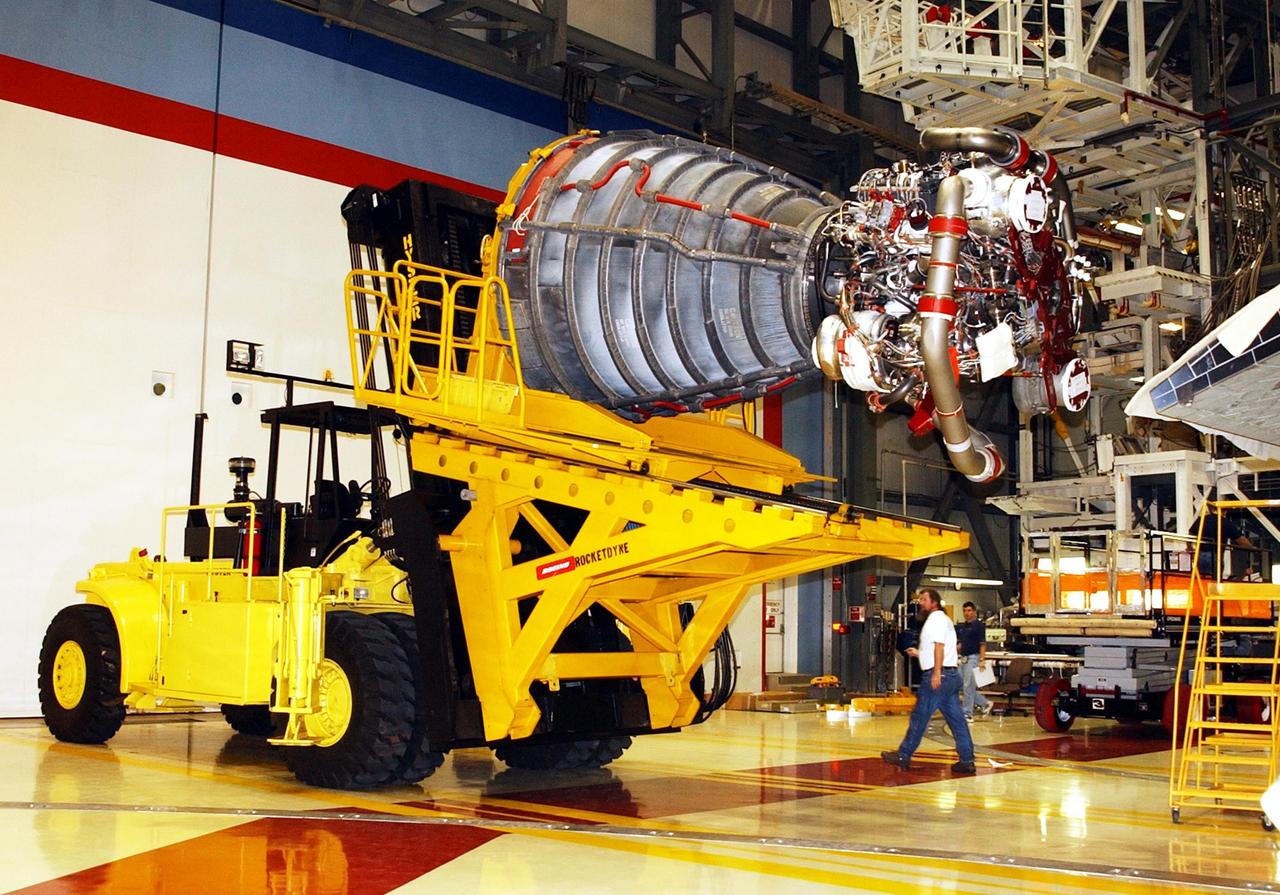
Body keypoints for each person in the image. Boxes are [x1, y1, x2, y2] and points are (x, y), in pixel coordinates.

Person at [882, 589, 976, 775]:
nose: (920, 602)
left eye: (924, 599)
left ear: (934, 602)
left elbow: (939, 646)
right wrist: (920, 654)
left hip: (939, 676)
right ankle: (967, 760)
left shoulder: (936, 619)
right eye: (919, 599)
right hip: (949, 675)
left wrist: (936, 673)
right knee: (957, 720)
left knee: (920, 716)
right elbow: (941, 648)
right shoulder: (944, 620)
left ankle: (903, 755)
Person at [956, 601, 993, 721]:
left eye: (969, 610)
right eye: (964, 611)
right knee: (960, 685)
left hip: (973, 657)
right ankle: (984, 703)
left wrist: (982, 659)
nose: (966, 613)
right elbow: (961, 643)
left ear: (974, 612)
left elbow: (982, 643)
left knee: (968, 685)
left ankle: (967, 713)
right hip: (963, 658)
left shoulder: (979, 626)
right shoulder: (962, 627)